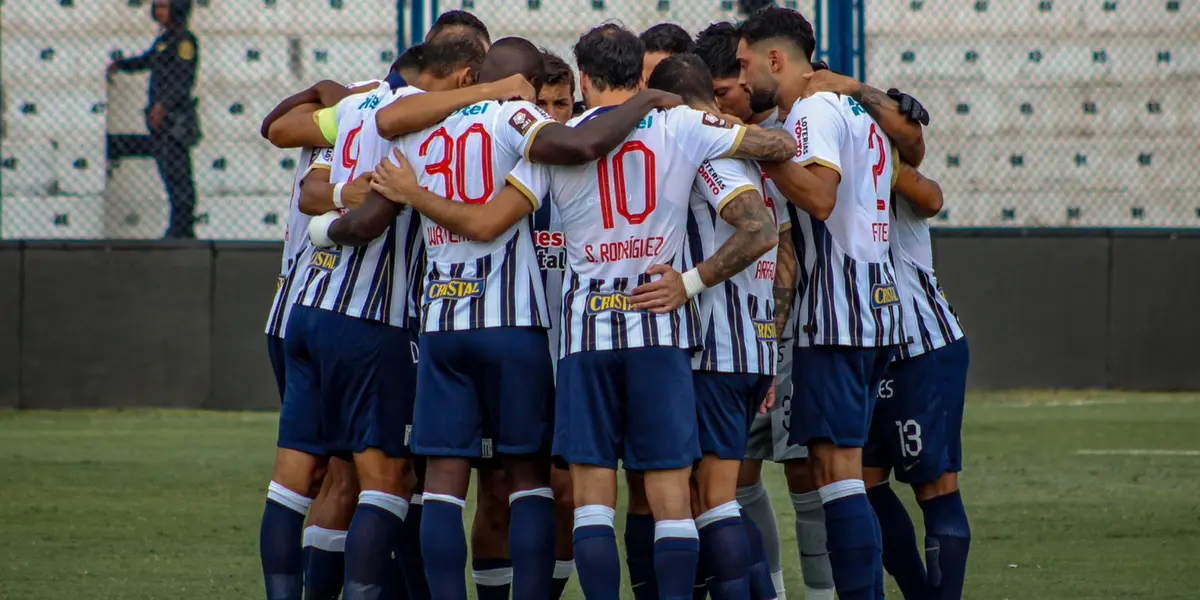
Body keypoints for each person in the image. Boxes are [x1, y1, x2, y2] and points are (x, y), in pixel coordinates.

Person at [370, 23, 796, 600]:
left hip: (585, 337)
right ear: (633, 73)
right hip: (658, 329)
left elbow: (489, 221)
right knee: (673, 497)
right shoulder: (680, 125)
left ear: (587, 79)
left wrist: (417, 194)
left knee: (592, 502)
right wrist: (691, 277)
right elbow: (780, 150)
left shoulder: (556, 138)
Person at [385, 36, 682, 600]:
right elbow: (574, 146)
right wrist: (642, 101)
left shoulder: (426, 125)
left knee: (444, 486)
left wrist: (415, 195)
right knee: (528, 481)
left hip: (443, 324)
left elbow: (390, 117)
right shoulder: (513, 117)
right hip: (510, 322)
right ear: (521, 83)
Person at [735, 6, 924, 599]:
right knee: (842, 478)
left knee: (836, 479)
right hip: (873, 306)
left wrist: (758, 148)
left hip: (837, 313)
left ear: (775, 59)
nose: (742, 82)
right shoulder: (852, 108)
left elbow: (818, 196)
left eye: (745, 66)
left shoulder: (814, 108)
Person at [634, 52, 784, 600]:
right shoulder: (742, 153)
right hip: (749, 348)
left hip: (717, 349)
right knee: (712, 498)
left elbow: (762, 232)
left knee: (712, 500)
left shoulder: (705, 158)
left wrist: (689, 283)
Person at [695, 21, 836, 600]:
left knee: (805, 470)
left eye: (730, 88)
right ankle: (772, 591)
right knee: (740, 472)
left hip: (796, 326)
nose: (730, 98)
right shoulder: (718, 141)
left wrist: (772, 336)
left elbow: (788, 242)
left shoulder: (788, 133)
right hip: (741, 333)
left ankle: (823, 592)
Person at [862, 161, 971, 600]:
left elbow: (932, 199)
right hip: (857, 348)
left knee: (935, 485)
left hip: (919, 345)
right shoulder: (804, 152)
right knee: (857, 483)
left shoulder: (877, 148)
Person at [106, 0, 200, 240]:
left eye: (164, 7)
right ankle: (179, 227)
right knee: (169, 174)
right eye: (156, 6)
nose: (158, 12)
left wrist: (163, 105)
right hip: (161, 121)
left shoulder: (184, 41)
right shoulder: (165, 40)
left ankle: (182, 227)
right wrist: (121, 65)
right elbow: (147, 61)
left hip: (174, 120)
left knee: (179, 174)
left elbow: (183, 80)